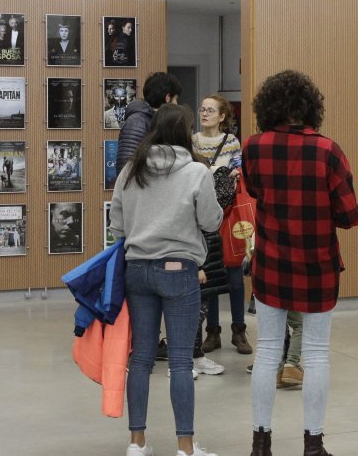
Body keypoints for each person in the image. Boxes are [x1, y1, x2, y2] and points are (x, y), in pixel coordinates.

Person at [244, 70, 358, 456]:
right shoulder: (328, 150)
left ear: (268, 107)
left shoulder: (254, 147)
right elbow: (349, 216)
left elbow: (255, 190)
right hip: (317, 266)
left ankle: (261, 443)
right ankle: (313, 443)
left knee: (266, 351)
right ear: (311, 106)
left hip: (271, 263)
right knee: (315, 354)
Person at [109, 103, 223, 456]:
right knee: (179, 362)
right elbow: (212, 221)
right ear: (183, 134)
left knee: (141, 358)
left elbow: (117, 226)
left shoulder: (130, 170)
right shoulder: (197, 172)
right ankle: (185, 447)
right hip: (179, 270)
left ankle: (136, 442)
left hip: (137, 269)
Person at [192, 95, 251, 357]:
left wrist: (231, 173)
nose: (204, 114)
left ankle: (239, 329)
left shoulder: (232, 142)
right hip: (201, 215)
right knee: (211, 276)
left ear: (222, 116)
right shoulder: (193, 140)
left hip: (227, 214)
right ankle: (212, 332)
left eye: (210, 110)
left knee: (235, 273)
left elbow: (238, 170)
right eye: (202, 109)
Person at [116, 72, 182, 173]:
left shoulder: (157, 120)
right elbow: (126, 167)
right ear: (167, 98)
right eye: (176, 99)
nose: (177, 104)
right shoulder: (137, 121)